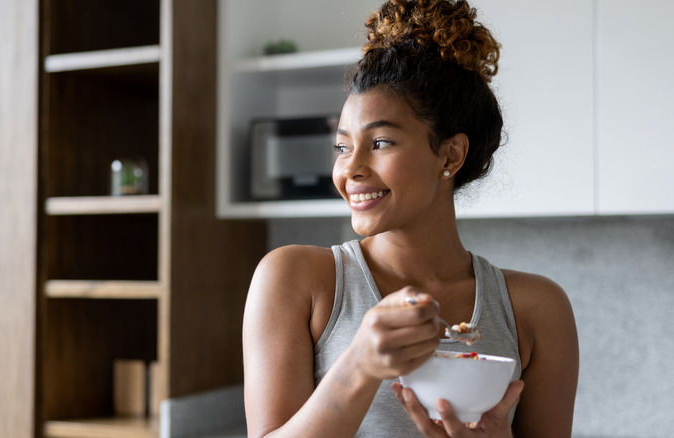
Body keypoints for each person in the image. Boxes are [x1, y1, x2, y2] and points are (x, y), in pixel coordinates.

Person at [242, 0, 579, 436]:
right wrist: (360, 363)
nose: (350, 169)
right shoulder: (295, 279)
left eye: (380, 142)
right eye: (342, 147)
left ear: (451, 154)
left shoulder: (537, 309)